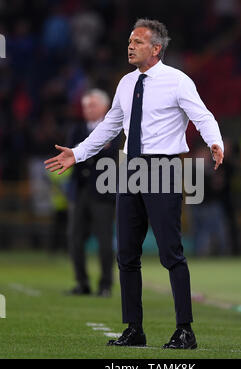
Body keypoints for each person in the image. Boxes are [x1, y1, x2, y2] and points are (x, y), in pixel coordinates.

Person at [45, 19, 224, 349]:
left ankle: (185, 329)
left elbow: (203, 116)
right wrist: (79, 153)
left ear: (156, 49)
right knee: (126, 253)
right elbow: (109, 127)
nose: (130, 46)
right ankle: (134, 329)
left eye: (138, 42)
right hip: (129, 169)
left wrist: (215, 142)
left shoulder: (178, 81)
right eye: (130, 40)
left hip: (163, 168)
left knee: (171, 252)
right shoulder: (126, 83)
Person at [66, 90, 121, 296]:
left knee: (105, 240)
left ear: (104, 108)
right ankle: (82, 283)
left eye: (92, 105)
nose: (88, 109)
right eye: (86, 106)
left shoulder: (115, 128)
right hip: (80, 191)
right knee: (74, 237)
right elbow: (71, 153)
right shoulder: (77, 128)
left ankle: (105, 284)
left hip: (103, 191)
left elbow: (111, 154)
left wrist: (84, 153)